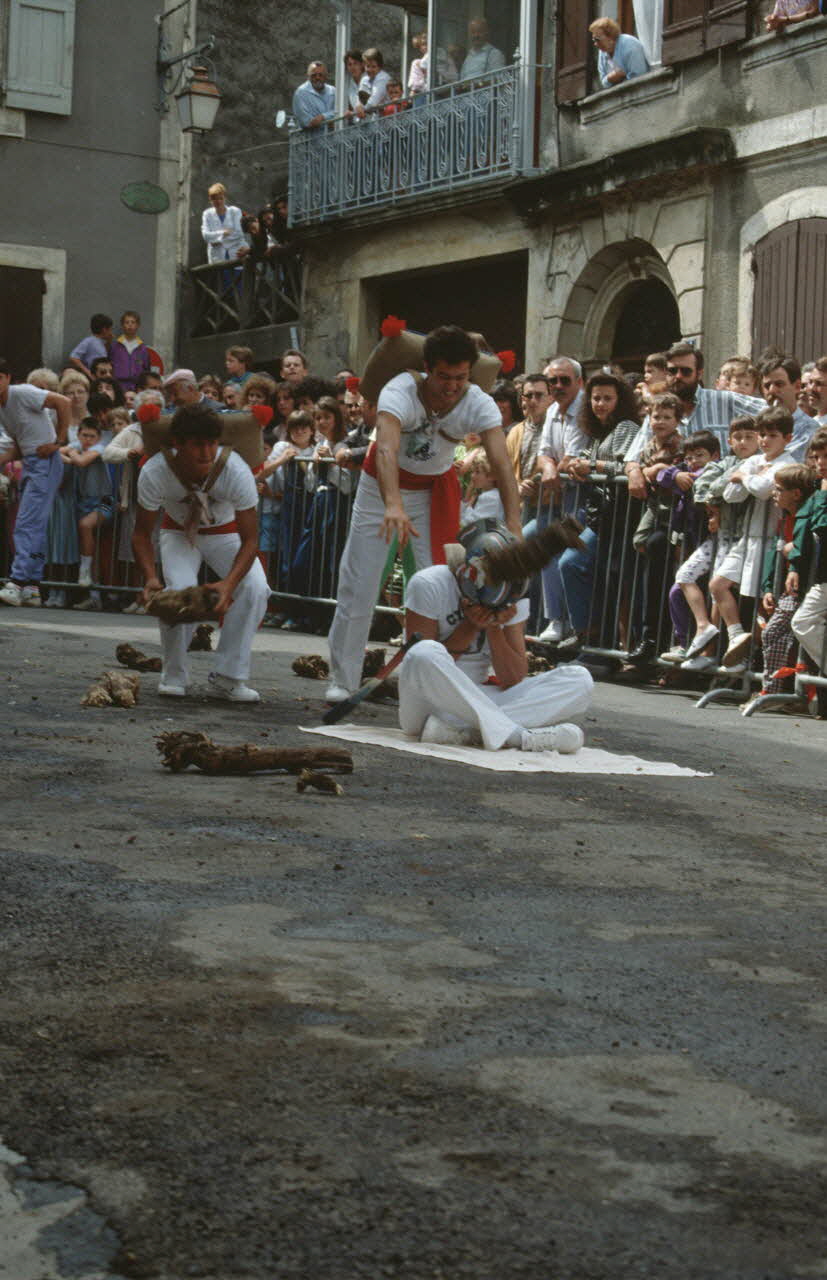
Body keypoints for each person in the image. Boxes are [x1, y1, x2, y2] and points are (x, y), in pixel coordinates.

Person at [326, 325, 521, 702]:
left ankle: (435, 678)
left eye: (460, 378)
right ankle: (343, 679)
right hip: (379, 489)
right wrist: (393, 504)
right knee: (360, 582)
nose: (451, 386)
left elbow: (501, 461)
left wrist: (513, 523)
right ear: (427, 368)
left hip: (436, 492)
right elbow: (385, 448)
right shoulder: (400, 389)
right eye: (443, 377)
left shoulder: (478, 400)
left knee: (442, 584)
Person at [399, 519, 593, 751]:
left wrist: (493, 627)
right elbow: (420, 669)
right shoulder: (429, 583)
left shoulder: (513, 596)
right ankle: (518, 736)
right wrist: (470, 626)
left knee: (579, 679)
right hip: (427, 705)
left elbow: (513, 678)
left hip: (471, 704)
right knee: (423, 652)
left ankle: (464, 733)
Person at [132, 403, 269, 701]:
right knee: (178, 592)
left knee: (257, 588)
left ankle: (229, 677)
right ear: (178, 444)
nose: (206, 452)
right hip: (178, 532)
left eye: (212, 443)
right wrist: (151, 579)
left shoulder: (236, 470)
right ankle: (173, 675)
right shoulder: (155, 471)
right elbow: (142, 533)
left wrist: (228, 586)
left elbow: (250, 540)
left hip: (226, 533)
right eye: (197, 444)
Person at [556, 372, 642, 650]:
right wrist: (580, 464)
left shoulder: (626, 427)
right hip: (602, 516)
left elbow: (628, 466)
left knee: (591, 571)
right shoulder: (598, 433)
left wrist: (591, 467)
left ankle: (600, 640)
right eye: (596, 398)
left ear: (620, 401)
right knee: (575, 566)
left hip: (622, 516)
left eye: (607, 398)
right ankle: (589, 635)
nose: (601, 404)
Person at [710, 406, 799, 668]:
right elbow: (730, 494)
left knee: (762, 603)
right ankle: (738, 638)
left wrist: (746, 477)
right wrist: (749, 477)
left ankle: (757, 663)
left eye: (772, 435)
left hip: (770, 539)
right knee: (718, 585)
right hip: (748, 537)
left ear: (787, 438)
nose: (764, 440)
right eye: (762, 434)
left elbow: (760, 489)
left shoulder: (787, 464)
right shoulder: (757, 461)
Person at [676, 416, 761, 672]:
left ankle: (719, 652)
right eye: (738, 437)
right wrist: (724, 490)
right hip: (721, 536)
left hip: (746, 538)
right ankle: (705, 629)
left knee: (720, 588)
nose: (743, 442)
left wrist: (738, 480)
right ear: (729, 440)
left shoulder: (758, 463)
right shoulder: (725, 463)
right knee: (685, 574)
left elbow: (747, 490)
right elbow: (702, 488)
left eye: (749, 436)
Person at [0, 358, 72, 607]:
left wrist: (59, 442)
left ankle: (17, 581)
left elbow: (63, 402)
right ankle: (32, 585)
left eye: (0, 377)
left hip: (46, 462)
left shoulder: (22, 392)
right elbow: (19, 447)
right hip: (32, 461)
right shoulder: (2, 409)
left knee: (26, 523)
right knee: (35, 525)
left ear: (8, 378)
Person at [753, 463, 818, 698]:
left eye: (779, 489)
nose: (774, 493)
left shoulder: (806, 516)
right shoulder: (785, 519)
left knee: (774, 633)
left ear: (796, 494)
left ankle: (776, 691)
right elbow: (776, 553)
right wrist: (768, 586)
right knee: (777, 636)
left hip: (804, 589)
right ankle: (786, 692)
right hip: (787, 589)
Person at [59, 418, 114, 609]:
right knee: (89, 546)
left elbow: (81, 461)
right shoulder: (77, 444)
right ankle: (94, 596)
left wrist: (72, 454)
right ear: (78, 434)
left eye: (92, 436)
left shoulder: (100, 448)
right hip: (82, 502)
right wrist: (72, 454)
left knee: (85, 525)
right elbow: (58, 453)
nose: (88, 440)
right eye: (84, 435)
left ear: (98, 437)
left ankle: (84, 571)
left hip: (104, 501)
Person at [791, 430, 827, 698]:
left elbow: (823, 526)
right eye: (816, 457)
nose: (821, 463)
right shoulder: (817, 487)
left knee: (804, 620)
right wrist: (793, 565)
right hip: (820, 573)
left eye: (826, 457)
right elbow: (804, 530)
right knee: (803, 621)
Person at [760, 355, 819, 461]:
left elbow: (786, 464)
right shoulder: (756, 423)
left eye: (779, 384)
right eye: (767, 386)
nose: (772, 390)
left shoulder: (809, 429)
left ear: (797, 386)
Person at [589, 18, 650, 87]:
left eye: (597, 40)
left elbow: (639, 77)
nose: (595, 44)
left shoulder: (629, 44)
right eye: (594, 40)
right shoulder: (602, 51)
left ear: (610, 37)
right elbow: (604, 82)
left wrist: (619, 78)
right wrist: (610, 78)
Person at [201, 183, 248, 265]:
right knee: (219, 275)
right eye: (214, 199)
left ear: (224, 198)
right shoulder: (207, 214)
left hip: (237, 253)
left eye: (221, 198)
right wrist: (223, 233)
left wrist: (215, 239)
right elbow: (206, 236)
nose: (218, 201)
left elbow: (239, 233)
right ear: (210, 199)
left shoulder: (235, 211)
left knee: (239, 275)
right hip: (217, 257)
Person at [110, 311, 151, 393]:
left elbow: (146, 368)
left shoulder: (142, 348)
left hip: (137, 386)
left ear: (138, 325)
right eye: (127, 322)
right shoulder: (115, 346)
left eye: (133, 322)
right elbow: (110, 365)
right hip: (118, 385)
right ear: (122, 325)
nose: (130, 325)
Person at [293, 61, 336, 130]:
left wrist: (322, 117)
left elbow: (341, 111)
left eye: (320, 75)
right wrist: (331, 117)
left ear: (326, 76)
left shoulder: (333, 91)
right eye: (314, 75)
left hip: (333, 138)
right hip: (311, 138)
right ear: (308, 77)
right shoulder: (301, 93)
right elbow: (307, 122)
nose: (317, 78)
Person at [69, 314, 113, 381]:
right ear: (104, 330)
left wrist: (109, 342)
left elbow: (102, 357)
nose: (111, 332)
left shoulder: (101, 343)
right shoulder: (89, 341)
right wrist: (88, 372)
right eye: (110, 329)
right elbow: (73, 357)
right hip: (92, 378)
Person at [355, 49, 390, 116]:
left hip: (384, 120)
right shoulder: (364, 79)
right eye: (368, 66)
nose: (370, 70)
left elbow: (374, 101)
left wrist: (361, 111)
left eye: (373, 67)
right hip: (367, 120)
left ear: (380, 67)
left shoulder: (384, 78)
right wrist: (358, 106)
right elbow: (359, 99)